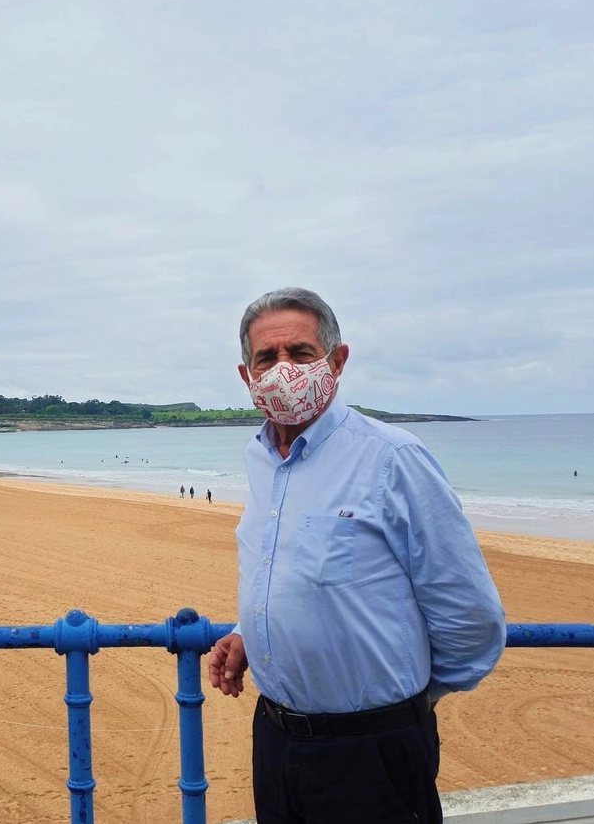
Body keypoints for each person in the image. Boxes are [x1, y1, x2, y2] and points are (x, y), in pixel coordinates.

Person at [208, 287, 505, 824]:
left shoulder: (392, 458)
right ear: (246, 375)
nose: (283, 369)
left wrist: (404, 706)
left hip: (373, 750)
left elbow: (472, 618)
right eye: (266, 358)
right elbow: (286, 569)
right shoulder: (260, 458)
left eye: (299, 353)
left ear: (336, 361)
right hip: (274, 739)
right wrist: (251, 632)